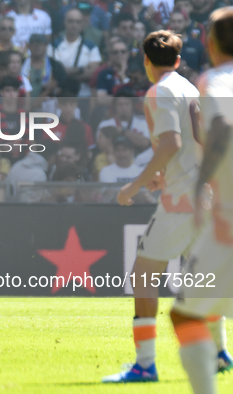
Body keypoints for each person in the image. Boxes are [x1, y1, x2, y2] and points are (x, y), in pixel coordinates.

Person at [103, 29, 231, 384]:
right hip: (203, 194)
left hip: (179, 202)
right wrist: (164, 171)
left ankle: (145, 364)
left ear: (145, 61)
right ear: (177, 60)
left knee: (142, 277)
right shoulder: (193, 88)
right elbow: (199, 142)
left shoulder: (159, 91)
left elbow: (171, 143)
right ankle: (220, 352)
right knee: (201, 279)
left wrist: (135, 183)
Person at [170, 8, 233, 393]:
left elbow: (223, 128)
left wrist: (200, 186)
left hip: (229, 215)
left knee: (186, 315)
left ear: (209, 42)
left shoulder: (215, 80)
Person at [48, 8, 101, 98]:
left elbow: (93, 73)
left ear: (82, 24)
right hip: (59, 96)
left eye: (78, 22)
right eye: (71, 21)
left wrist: (65, 75)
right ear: (65, 22)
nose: (74, 25)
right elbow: (52, 72)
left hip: (84, 96)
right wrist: (81, 69)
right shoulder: (54, 45)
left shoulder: (91, 46)